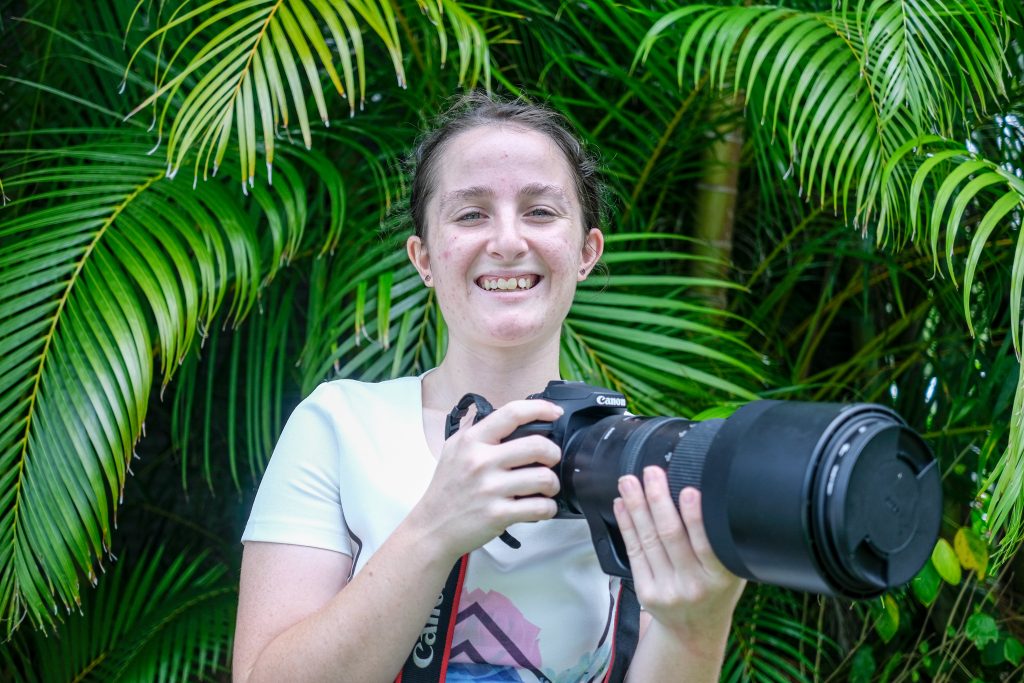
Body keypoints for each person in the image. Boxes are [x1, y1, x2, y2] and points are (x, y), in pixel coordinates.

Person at [232, 93, 746, 682]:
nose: (506, 241)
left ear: (586, 252)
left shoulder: (638, 461)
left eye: (541, 212)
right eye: (471, 214)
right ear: (423, 258)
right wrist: (435, 527)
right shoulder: (340, 426)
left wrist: (698, 624)